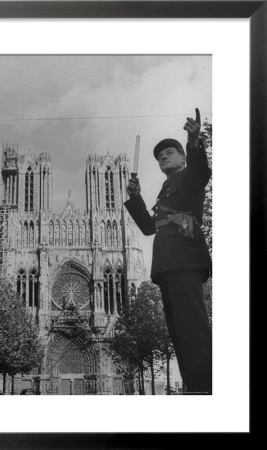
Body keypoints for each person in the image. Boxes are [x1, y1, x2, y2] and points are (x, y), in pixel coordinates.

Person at [124, 108, 212, 394]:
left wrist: (194, 142)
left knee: (192, 329)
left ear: (183, 157)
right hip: (167, 264)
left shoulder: (190, 178)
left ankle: (208, 388)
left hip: (185, 260)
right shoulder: (165, 188)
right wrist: (135, 198)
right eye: (160, 156)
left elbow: (201, 171)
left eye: (169, 153)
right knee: (179, 333)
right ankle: (196, 388)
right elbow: (151, 228)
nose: (163, 156)